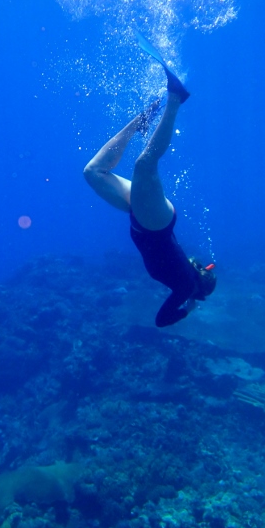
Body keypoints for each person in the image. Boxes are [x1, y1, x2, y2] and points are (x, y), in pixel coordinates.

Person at [83, 36, 216, 327]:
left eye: (204, 273)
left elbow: (162, 318)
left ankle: (140, 122)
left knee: (93, 173)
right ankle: (175, 99)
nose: (200, 270)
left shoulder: (186, 286)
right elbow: (163, 320)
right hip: (153, 224)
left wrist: (190, 302)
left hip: (141, 219)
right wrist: (188, 309)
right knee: (144, 164)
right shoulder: (185, 288)